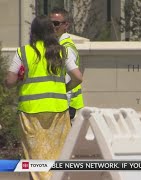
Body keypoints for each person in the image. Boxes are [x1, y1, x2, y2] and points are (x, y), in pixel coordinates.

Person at [5, 15, 82, 180]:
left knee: (35, 156)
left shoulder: (23, 52)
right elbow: (78, 77)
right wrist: (64, 88)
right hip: (58, 111)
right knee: (57, 154)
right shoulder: (61, 51)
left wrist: (20, 78)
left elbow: (9, 81)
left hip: (31, 112)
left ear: (33, 32)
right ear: (51, 30)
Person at [50, 7, 84, 122]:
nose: (52, 26)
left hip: (68, 107)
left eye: (56, 23)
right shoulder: (56, 45)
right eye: (49, 23)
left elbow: (72, 78)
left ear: (66, 25)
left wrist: (63, 106)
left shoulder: (66, 48)